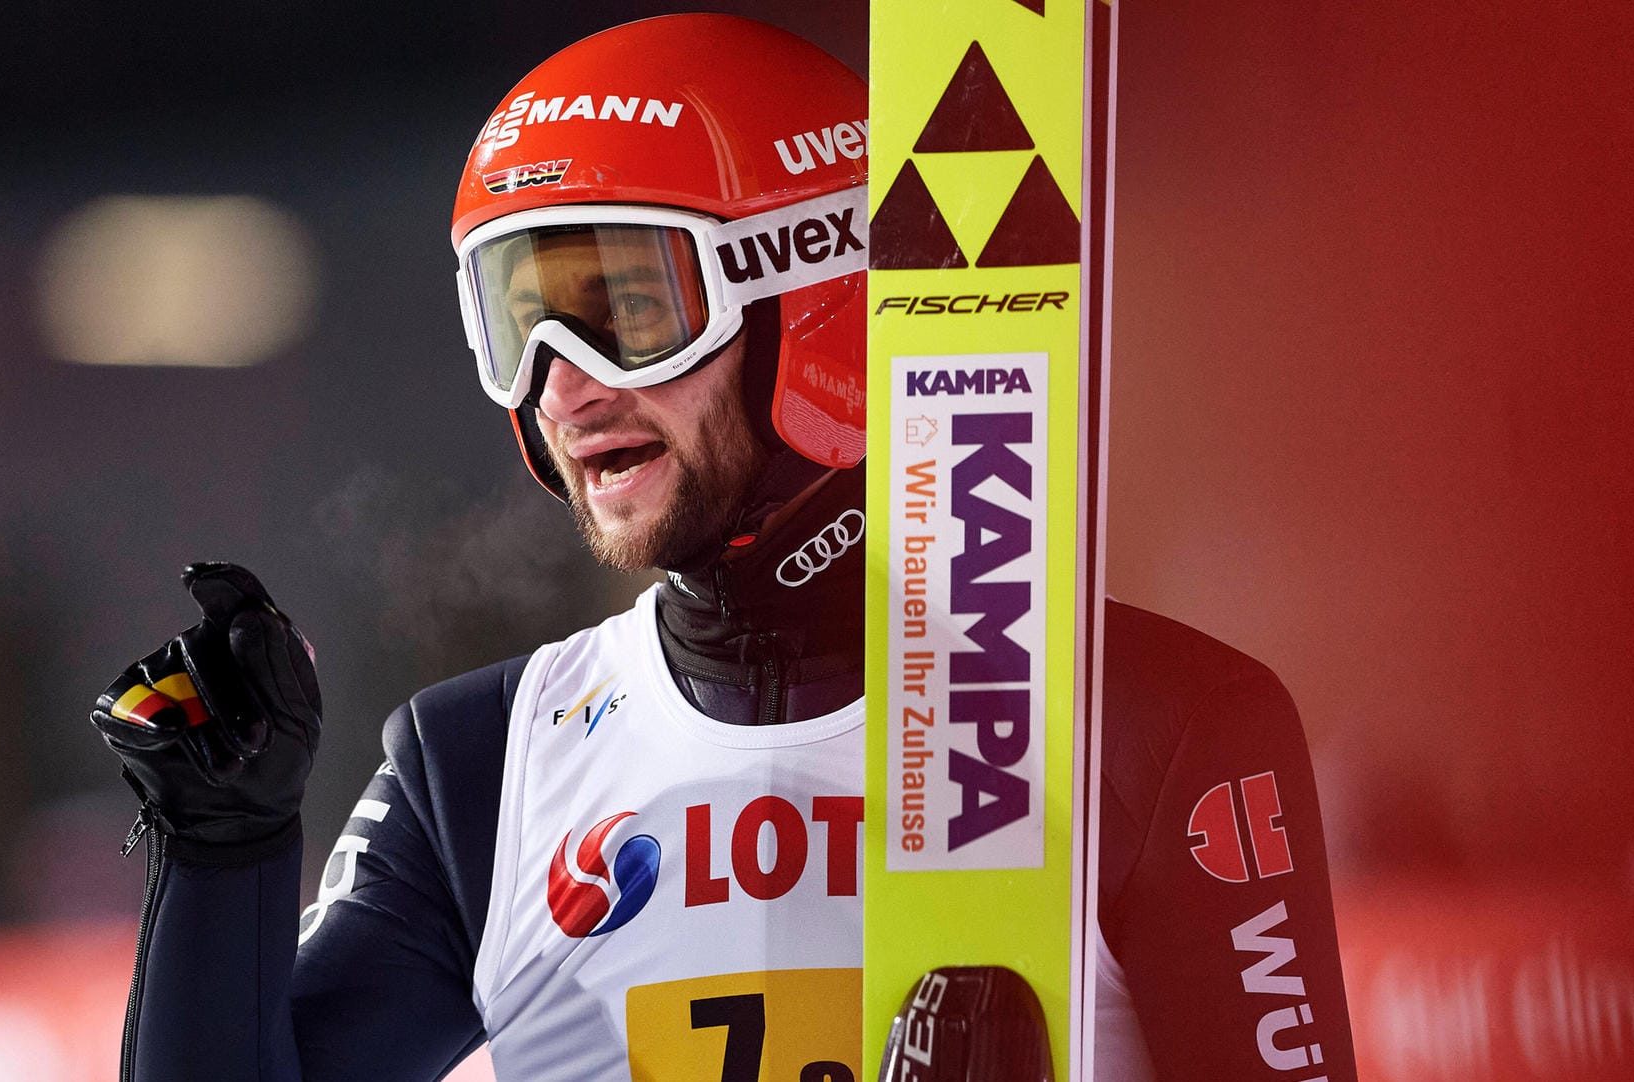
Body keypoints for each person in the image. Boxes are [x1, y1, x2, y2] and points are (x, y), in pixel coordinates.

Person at [91, 14, 1357, 1082]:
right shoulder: (480, 764)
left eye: (630, 310)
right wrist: (224, 851)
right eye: (520, 326)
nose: (565, 392)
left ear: (816, 299)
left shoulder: (1154, 724)